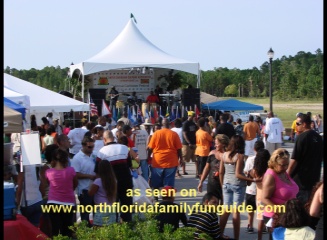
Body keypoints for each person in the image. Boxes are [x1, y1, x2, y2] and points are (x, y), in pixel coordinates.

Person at [219, 135, 255, 240]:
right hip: (238, 185)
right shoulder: (239, 156)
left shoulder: (224, 155)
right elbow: (238, 174)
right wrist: (252, 180)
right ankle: (236, 237)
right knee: (236, 212)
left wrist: (222, 185)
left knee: (225, 211)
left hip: (226, 184)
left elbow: (221, 172)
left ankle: (220, 234)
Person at [95, 130, 133, 222]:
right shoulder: (124, 148)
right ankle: (127, 225)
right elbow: (129, 165)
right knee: (127, 205)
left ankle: (114, 224)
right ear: (113, 138)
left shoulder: (101, 152)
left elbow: (97, 171)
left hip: (111, 184)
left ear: (104, 139)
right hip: (126, 182)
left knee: (113, 206)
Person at [262, 148, 299, 240]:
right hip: (275, 216)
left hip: (288, 214)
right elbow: (264, 198)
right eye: (282, 165)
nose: (286, 167)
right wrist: (280, 211)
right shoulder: (270, 176)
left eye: (287, 164)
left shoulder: (283, 172)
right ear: (274, 162)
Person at [287, 113, 323, 204]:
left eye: (298, 124)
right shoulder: (318, 137)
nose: (296, 126)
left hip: (300, 181)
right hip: (314, 178)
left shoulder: (301, 137)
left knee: (298, 209)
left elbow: (295, 159)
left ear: (304, 124)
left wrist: (287, 174)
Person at [46, 149, 78, 238]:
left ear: (54, 160)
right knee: (67, 229)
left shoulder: (49, 172)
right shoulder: (71, 170)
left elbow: (49, 184)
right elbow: (75, 184)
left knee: (55, 230)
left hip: (52, 202)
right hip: (68, 202)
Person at [147, 118, 183, 189]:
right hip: (171, 162)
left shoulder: (156, 134)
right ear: (169, 124)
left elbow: (150, 148)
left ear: (161, 125)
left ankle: (156, 197)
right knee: (169, 183)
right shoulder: (174, 134)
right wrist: (181, 159)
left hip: (158, 161)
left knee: (156, 181)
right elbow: (179, 149)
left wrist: (148, 157)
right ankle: (167, 198)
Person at [71, 136, 97, 226]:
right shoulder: (77, 158)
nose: (91, 149)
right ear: (83, 146)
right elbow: (75, 174)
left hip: (95, 188)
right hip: (84, 190)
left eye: (92, 146)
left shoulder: (94, 154)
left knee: (96, 212)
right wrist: (90, 176)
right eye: (89, 147)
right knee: (85, 214)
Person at [198, 134, 229, 204]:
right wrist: (201, 182)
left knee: (223, 205)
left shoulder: (228, 155)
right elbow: (207, 168)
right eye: (215, 144)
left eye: (217, 144)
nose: (215, 146)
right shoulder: (212, 153)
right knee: (211, 203)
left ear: (223, 144)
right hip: (212, 184)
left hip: (224, 184)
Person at [243, 140, 265, 234]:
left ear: (254, 149)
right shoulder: (266, 159)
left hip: (251, 188)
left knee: (250, 209)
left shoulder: (250, 159)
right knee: (261, 209)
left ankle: (250, 225)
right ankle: (263, 226)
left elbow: (246, 171)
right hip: (262, 188)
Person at [88, 160, 117, 226]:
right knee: (110, 229)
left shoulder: (98, 181)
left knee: (98, 230)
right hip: (111, 207)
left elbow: (90, 193)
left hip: (101, 208)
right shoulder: (114, 180)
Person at [39, 144, 59, 238]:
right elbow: (42, 186)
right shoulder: (46, 168)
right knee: (49, 226)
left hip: (57, 199)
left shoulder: (59, 167)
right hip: (48, 199)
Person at [251, 149, 271, 240]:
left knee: (260, 219)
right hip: (269, 196)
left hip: (259, 197)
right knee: (270, 218)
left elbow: (248, 181)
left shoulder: (255, 171)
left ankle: (259, 238)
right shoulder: (270, 170)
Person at [182, 111, 197, 176]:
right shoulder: (185, 123)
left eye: (194, 116)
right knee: (184, 158)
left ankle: (197, 172)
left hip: (194, 143)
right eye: (192, 116)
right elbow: (184, 134)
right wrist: (189, 142)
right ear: (189, 116)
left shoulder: (193, 123)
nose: (193, 117)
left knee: (195, 158)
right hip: (187, 144)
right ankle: (183, 171)